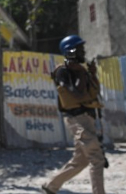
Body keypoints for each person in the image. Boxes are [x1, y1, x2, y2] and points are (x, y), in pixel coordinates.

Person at [41, 35, 106, 194]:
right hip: (77, 119)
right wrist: (82, 73)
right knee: (97, 159)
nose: (84, 51)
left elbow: (93, 93)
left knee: (81, 160)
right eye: (80, 49)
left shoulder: (80, 71)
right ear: (70, 51)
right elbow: (76, 93)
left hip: (87, 119)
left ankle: (51, 186)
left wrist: (91, 74)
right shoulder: (63, 71)